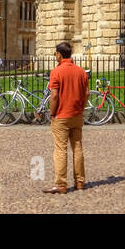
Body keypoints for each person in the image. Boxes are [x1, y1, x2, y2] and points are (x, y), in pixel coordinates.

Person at [43, 42, 88, 194]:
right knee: (77, 148)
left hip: (61, 115)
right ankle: (80, 182)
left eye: (56, 54)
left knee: (60, 150)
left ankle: (61, 184)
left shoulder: (56, 71)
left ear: (59, 55)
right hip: (77, 115)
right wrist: (81, 107)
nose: (55, 56)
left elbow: (54, 95)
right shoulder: (81, 72)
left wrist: (52, 112)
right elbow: (87, 93)